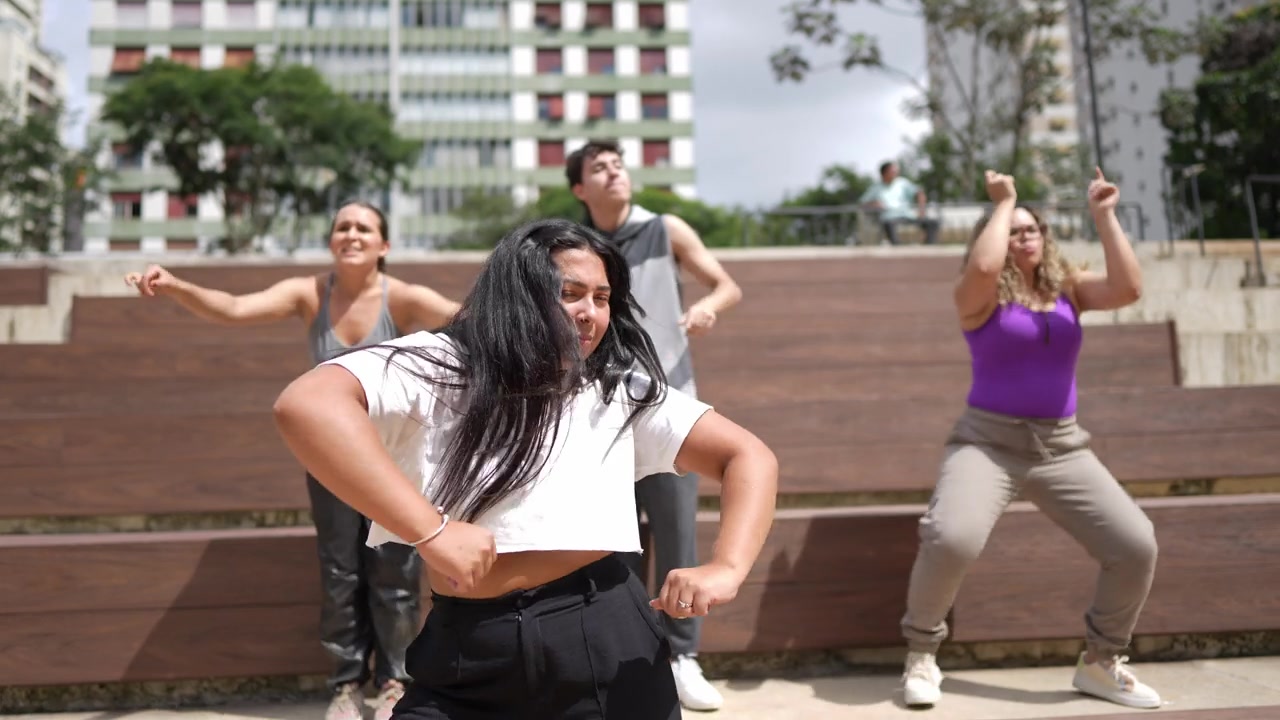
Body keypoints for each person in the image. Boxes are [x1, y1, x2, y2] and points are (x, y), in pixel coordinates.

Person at [271, 217, 778, 720]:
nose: (589, 312)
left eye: (601, 298)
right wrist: (430, 529)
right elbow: (306, 405)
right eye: (570, 294)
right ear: (518, 293)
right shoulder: (438, 364)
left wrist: (727, 568)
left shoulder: (616, 389)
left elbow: (748, 456)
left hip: (601, 637)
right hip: (463, 647)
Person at [125, 201, 462, 720]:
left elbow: (470, 320)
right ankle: (347, 685)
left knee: (394, 572)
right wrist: (175, 286)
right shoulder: (310, 294)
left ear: (384, 245)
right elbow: (235, 308)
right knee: (340, 571)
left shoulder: (403, 297)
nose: (352, 234)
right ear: (331, 241)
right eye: (342, 226)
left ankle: (394, 682)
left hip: (393, 460)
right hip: (332, 458)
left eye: (364, 228)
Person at [898, 168, 1161, 710]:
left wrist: (1104, 215)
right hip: (987, 444)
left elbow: (1130, 289)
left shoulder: (1068, 290)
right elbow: (985, 265)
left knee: (1135, 545)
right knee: (951, 538)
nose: (1024, 236)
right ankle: (922, 655)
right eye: (1013, 230)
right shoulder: (978, 297)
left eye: (1031, 228)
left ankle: (1101, 662)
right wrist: (1006, 200)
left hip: (1061, 446)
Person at [564, 139, 743, 711]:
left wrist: (709, 306)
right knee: (613, 540)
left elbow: (727, 284)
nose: (614, 172)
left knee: (677, 536)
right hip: (599, 411)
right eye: (599, 167)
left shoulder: (665, 229)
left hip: (670, 407)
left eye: (618, 164)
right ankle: (625, 655)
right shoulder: (573, 247)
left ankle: (683, 656)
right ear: (580, 188)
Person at [859, 160, 940, 245]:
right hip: (889, 217)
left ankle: (929, 245)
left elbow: (920, 194)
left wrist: (921, 210)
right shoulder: (875, 188)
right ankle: (897, 247)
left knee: (933, 223)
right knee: (889, 224)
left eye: (896, 171)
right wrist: (873, 204)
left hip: (907, 214)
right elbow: (862, 204)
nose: (895, 174)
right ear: (884, 173)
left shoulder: (902, 183)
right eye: (892, 172)